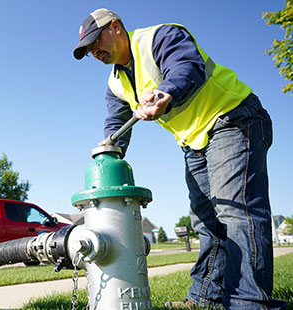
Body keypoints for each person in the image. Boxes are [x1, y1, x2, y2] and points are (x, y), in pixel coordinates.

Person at [73, 8, 286, 310]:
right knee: (206, 220)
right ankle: (205, 296)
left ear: (116, 27)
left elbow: (187, 66)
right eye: (88, 50)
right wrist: (108, 152)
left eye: (96, 41)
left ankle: (250, 303)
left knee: (236, 212)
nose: (95, 51)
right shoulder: (116, 84)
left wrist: (165, 92)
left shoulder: (158, 37)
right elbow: (115, 125)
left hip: (233, 118)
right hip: (194, 141)